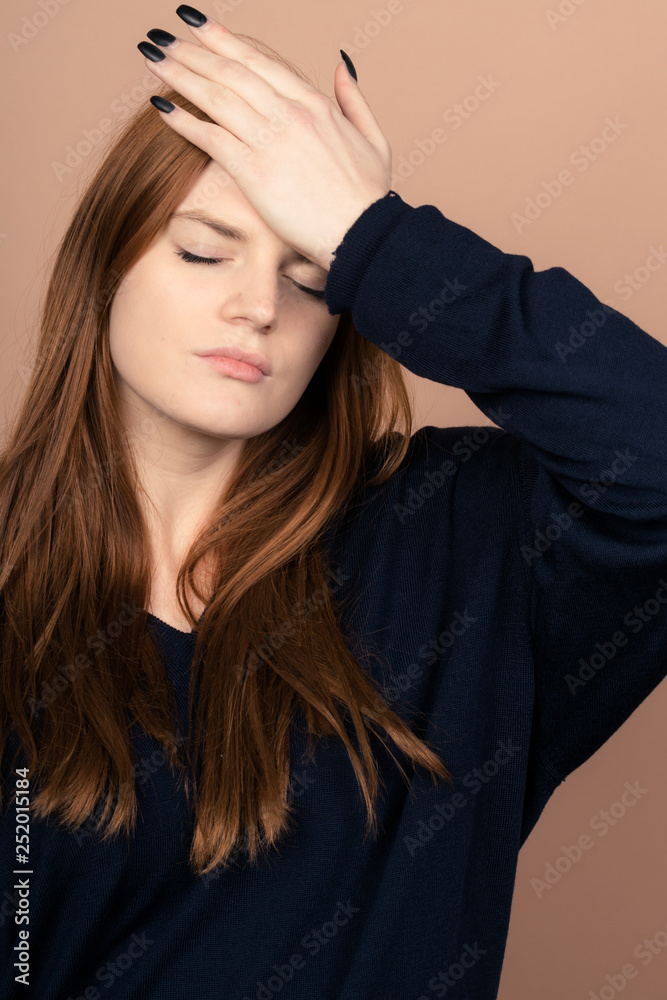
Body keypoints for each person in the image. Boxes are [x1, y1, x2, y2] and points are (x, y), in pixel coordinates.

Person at [1, 5, 666, 998]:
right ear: (103, 270)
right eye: (203, 251)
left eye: (313, 276)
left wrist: (379, 239)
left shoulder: (461, 537)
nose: (257, 308)